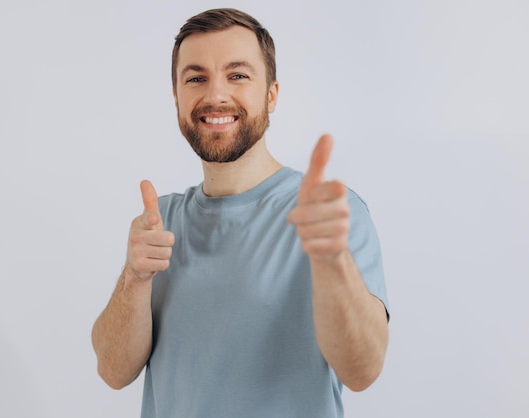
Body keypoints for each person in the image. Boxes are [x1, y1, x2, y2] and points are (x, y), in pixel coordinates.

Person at [92, 8, 389, 418]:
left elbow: (362, 371)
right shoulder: (160, 222)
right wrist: (134, 278)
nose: (215, 95)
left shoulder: (329, 215)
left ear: (271, 94)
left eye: (238, 75)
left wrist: (332, 260)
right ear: (177, 97)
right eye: (196, 78)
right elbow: (111, 371)